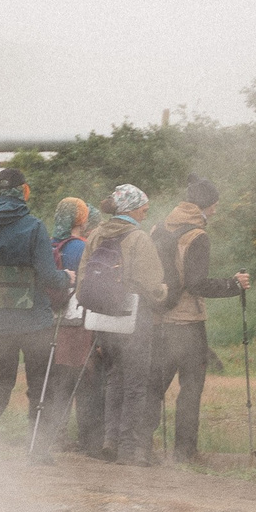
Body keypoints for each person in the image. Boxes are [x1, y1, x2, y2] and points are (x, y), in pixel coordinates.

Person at [0, 166, 69, 457]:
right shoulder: (34, 226)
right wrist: (67, 278)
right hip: (34, 322)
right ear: (23, 191)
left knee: (0, 382)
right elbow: (49, 276)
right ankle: (37, 449)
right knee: (40, 384)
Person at [149, 175, 252, 467]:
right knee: (191, 389)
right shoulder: (198, 236)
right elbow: (197, 284)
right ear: (206, 205)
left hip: (160, 318)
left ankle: (137, 445)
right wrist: (233, 285)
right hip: (189, 323)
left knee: (154, 387)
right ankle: (184, 453)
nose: (216, 210)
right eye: (215, 205)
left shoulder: (158, 227)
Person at [81, 183, 167, 465]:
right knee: (136, 385)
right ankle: (128, 448)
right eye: (143, 208)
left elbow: (83, 277)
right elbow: (152, 284)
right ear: (131, 208)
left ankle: (110, 440)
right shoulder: (139, 238)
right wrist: (163, 292)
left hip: (103, 319)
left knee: (114, 379)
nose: (146, 212)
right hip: (133, 319)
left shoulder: (96, 235)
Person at [35, 196, 99, 459]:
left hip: (47, 320)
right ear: (81, 219)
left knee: (55, 378)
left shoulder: (47, 245)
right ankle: (86, 438)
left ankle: (53, 434)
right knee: (82, 377)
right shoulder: (83, 247)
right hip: (76, 321)